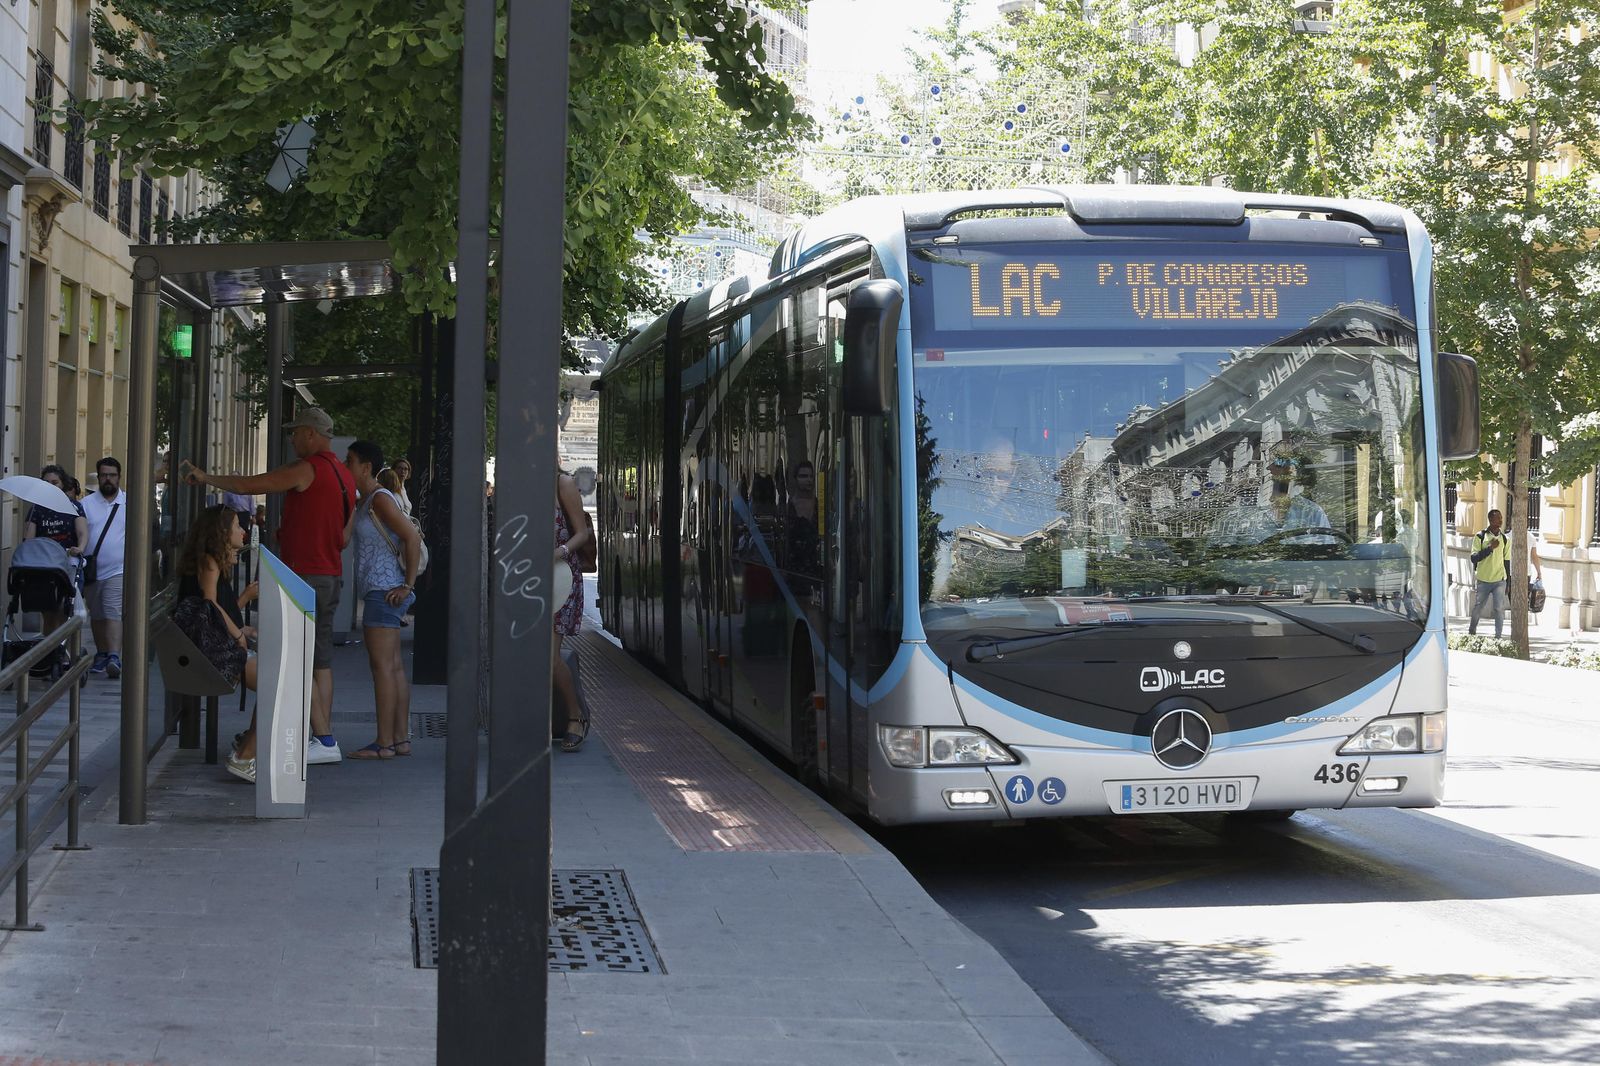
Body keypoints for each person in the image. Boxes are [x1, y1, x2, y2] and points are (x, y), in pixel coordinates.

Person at [180, 406, 356, 766]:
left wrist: (206, 476)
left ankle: (313, 740)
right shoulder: (344, 475)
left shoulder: (307, 468)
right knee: (316, 661)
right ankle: (313, 740)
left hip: (303, 576)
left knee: (287, 661)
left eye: (295, 433)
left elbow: (251, 484)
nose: (291, 439)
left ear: (310, 433)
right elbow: (343, 536)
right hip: (330, 575)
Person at [342, 441, 422, 759]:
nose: (344, 464)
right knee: (394, 668)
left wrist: (407, 584)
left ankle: (384, 742)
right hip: (383, 590)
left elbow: (412, 536)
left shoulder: (379, 499)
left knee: (382, 669)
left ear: (365, 467)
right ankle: (399, 740)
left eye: (349, 460)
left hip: (383, 591)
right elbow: (344, 538)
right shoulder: (365, 501)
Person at [172, 506, 261, 781]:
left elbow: (213, 611)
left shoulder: (209, 562)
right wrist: (239, 637)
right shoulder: (210, 561)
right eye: (237, 526)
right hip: (212, 656)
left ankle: (249, 742)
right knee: (279, 683)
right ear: (221, 532)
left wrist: (244, 602)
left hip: (208, 650)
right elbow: (210, 604)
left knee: (281, 680)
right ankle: (246, 754)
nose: (243, 531)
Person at [23, 464, 88, 636]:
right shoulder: (36, 510)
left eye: (55, 482)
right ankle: (51, 652)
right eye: (46, 483)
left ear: (63, 484)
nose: (51, 486)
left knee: (65, 611)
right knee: (49, 612)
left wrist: (80, 548)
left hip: (68, 564)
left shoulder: (73, 506)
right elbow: (29, 539)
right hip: (44, 566)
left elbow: (82, 532)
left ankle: (65, 652)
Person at [554, 468, 592, 752]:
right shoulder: (517, 479)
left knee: (547, 655)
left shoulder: (562, 483)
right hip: (524, 578)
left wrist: (560, 552)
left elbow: (582, 533)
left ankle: (575, 715)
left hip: (559, 577)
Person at [81, 457, 128, 678]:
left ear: (119, 477)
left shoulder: (129, 503)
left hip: (118, 570)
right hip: (92, 571)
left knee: (112, 610)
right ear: (98, 477)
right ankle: (101, 653)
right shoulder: (86, 505)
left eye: (112, 475)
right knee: (97, 614)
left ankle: (114, 656)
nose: (108, 479)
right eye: (104, 475)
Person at [1468, 508, 1511, 637]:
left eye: (1501, 518)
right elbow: (1474, 558)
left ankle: (1498, 636)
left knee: (1498, 609)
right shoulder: (1480, 536)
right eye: (1498, 518)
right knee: (1478, 607)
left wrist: (1508, 582)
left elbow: (1507, 561)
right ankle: (1472, 631)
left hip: (1499, 580)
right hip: (1483, 579)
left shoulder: (1505, 539)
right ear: (1491, 520)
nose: (1500, 520)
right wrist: (1490, 548)